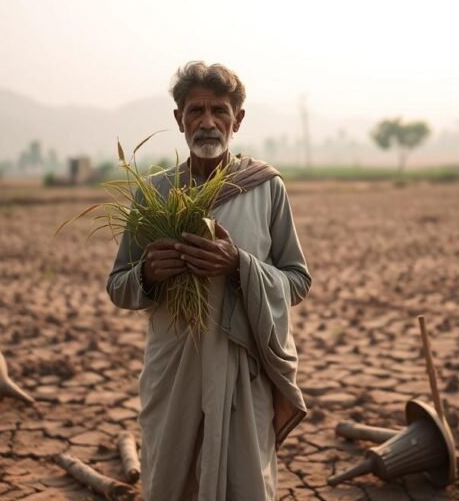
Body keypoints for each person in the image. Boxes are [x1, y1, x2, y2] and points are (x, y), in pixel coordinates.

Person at [106, 61, 311, 500]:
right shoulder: (153, 193)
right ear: (179, 119)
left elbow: (297, 280)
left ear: (237, 119)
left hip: (243, 371)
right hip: (174, 373)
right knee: (170, 481)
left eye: (219, 110)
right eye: (195, 110)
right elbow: (118, 285)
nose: (208, 122)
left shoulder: (265, 188)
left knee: (245, 485)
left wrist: (239, 263)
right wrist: (147, 272)